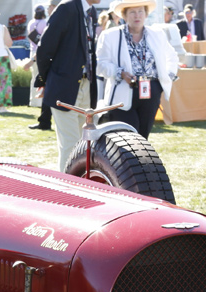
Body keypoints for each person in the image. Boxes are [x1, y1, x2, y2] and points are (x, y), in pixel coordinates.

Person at [35, 0, 102, 171]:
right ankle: (69, 189)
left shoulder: (91, 12)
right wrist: (45, 80)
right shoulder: (66, 8)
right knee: (71, 145)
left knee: (84, 144)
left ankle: (81, 186)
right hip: (64, 86)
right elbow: (44, 48)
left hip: (87, 85)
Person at [97, 0, 178, 139]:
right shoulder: (110, 36)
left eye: (140, 11)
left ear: (146, 14)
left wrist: (166, 78)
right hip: (122, 91)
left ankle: (140, 161)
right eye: (132, 12)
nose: (137, 16)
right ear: (124, 15)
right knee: (128, 137)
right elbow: (100, 64)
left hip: (151, 91)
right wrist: (120, 73)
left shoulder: (157, 34)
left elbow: (172, 57)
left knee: (143, 136)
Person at [27, 6, 54, 130]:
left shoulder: (31, 23)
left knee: (36, 80)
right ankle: (43, 117)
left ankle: (35, 103)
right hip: (41, 55)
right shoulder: (45, 22)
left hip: (35, 53)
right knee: (42, 82)